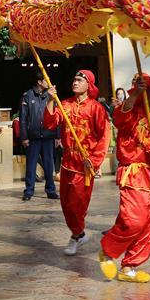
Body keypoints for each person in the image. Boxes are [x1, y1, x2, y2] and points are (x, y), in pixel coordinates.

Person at [98, 73, 150, 282]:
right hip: (134, 172)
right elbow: (120, 118)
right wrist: (136, 92)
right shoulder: (131, 111)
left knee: (148, 225)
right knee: (134, 220)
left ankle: (129, 267)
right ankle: (107, 250)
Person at [44, 70, 109, 256]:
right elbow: (50, 123)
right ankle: (79, 234)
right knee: (66, 205)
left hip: (85, 165)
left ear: (89, 85)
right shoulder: (64, 104)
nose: (75, 82)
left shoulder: (96, 108)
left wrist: (95, 162)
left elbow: (104, 137)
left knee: (77, 205)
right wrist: (50, 100)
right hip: (67, 163)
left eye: (80, 80)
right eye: (74, 79)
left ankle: (77, 235)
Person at [20, 73, 59, 201]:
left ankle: (51, 190)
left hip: (48, 135)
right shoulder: (27, 96)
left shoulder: (51, 96)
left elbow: (57, 116)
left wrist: (58, 136)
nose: (48, 82)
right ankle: (29, 191)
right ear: (39, 82)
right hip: (33, 136)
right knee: (31, 165)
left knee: (49, 164)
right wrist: (24, 137)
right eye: (45, 80)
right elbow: (23, 119)